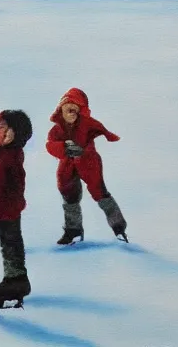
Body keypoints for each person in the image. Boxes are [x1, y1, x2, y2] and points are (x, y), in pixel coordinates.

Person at [45, 87, 128, 244]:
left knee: (100, 193)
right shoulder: (56, 130)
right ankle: (73, 231)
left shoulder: (87, 124)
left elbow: (100, 127)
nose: (72, 114)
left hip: (89, 163)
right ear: (60, 109)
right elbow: (50, 145)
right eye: (68, 109)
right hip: (67, 167)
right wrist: (63, 148)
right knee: (70, 197)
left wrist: (109, 136)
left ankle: (119, 228)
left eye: (76, 110)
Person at [0, 110, 33, 310]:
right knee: (8, 243)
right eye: (2, 130)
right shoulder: (2, 152)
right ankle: (14, 278)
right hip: (0, 207)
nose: (4, 135)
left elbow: (14, 183)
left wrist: (2, 199)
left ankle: (16, 279)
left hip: (7, 207)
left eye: (9, 132)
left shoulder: (11, 156)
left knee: (11, 243)